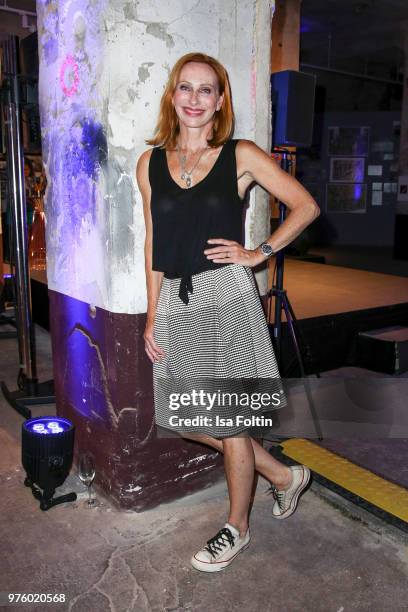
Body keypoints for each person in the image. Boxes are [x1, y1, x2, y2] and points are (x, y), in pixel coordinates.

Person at [136, 52, 320, 573]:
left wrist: (258, 252)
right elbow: (154, 242)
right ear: (173, 96)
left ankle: (236, 527)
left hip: (229, 298)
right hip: (177, 297)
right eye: (186, 88)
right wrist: (153, 315)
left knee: (232, 421)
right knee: (184, 415)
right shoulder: (150, 163)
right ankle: (284, 477)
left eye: (206, 90)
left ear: (220, 102)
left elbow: (305, 206)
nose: (195, 99)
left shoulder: (238, 155)